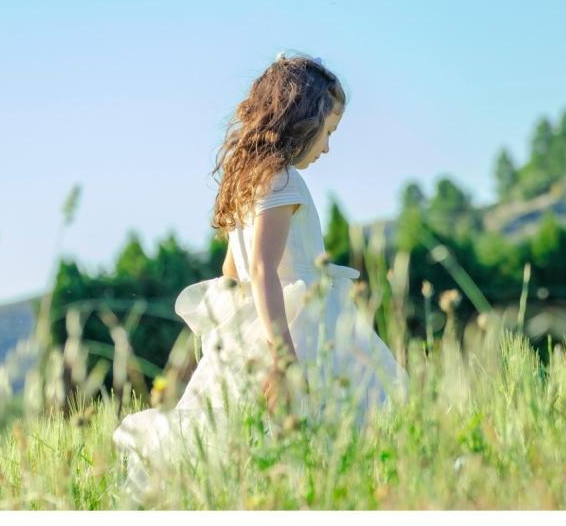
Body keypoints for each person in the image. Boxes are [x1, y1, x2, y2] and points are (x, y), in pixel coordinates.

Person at [112, 50, 409, 501]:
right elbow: (261, 268)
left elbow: (233, 271)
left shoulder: (249, 179)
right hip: (300, 326)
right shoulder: (283, 180)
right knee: (344, 421)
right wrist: (284, 359)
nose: (327, 147)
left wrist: (231, 337)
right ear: (303, 120)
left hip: (263, 322)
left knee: (262, 437)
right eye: (327, 133)